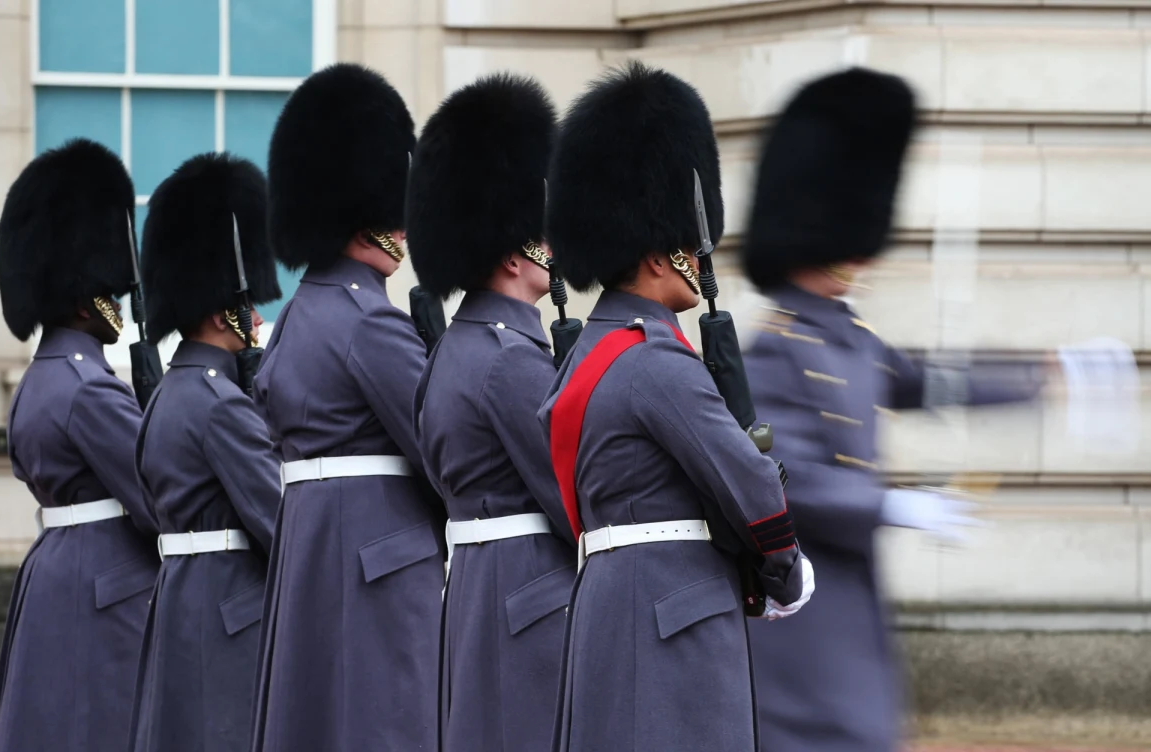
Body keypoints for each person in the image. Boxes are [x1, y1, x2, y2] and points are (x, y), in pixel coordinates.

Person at [739, 67, 1047, 752]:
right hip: (804, 586)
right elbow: (781, 471)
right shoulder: (776, 346)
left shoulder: (850, 336)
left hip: (851, 582)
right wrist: (892, 504)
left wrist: (1045, 374)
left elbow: (932, 380)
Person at [536, 61, 814, 752]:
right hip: (672, 614)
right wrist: (785, 572)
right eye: (691, 243)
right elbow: (746, 481)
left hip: (611, 604)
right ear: (659, 255)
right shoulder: (653, 360)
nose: (700, 255)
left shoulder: (589, 351)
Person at [249, 63, 444, 751]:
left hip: (311, 550)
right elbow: (442, 450)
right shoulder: (371, 321)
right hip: (381, 560)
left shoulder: (299, 315)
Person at [408, 74, 576, 751]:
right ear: (514, 249)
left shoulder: (456, 349)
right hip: (534, 602)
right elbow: (573, 499)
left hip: (479, 596)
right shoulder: (510, 360)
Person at [0, 138, 161, 752]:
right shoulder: (90, 389)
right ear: (86, 296)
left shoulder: (42, 379)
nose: (115, 303)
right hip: (108, 588)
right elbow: (161, 495)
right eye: (108, 293)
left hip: (59, 573)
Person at [127, 152, 281, 752]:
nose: (260, 319)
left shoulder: (170, 394)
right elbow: (280, 523)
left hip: (181, 600)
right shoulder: (222, 404)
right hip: (233, 615)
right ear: (227, 313)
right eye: (251, 310)